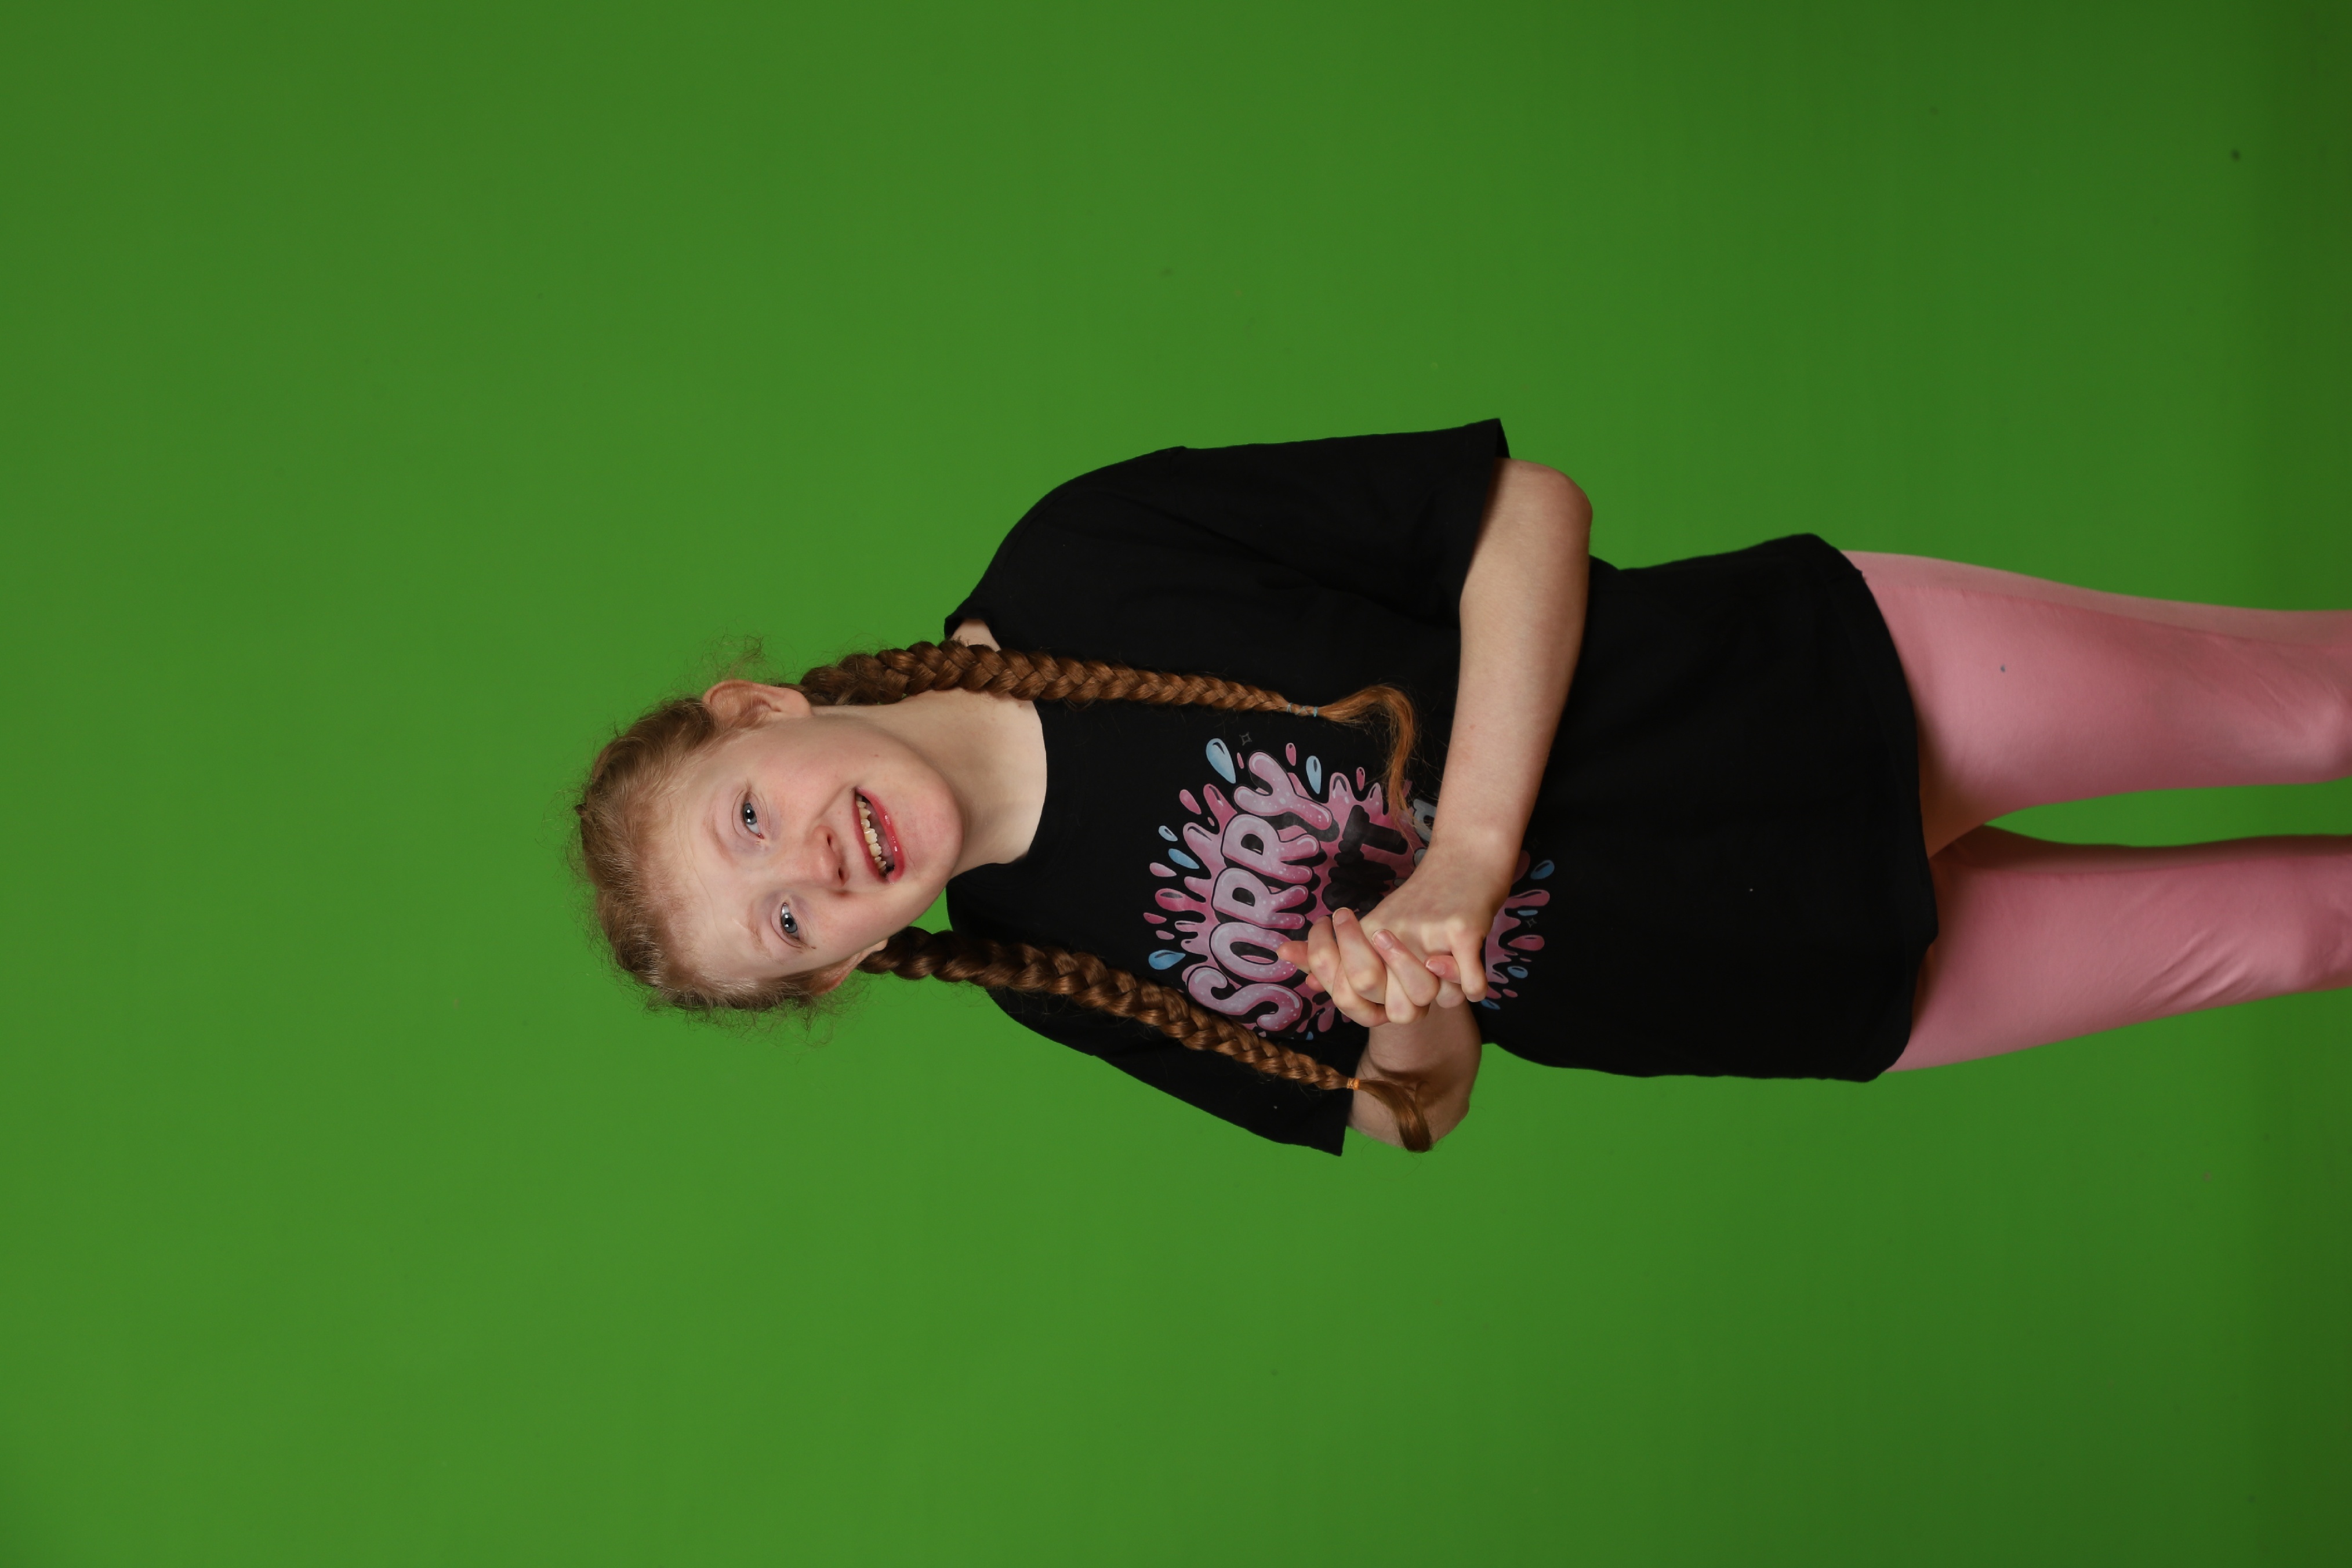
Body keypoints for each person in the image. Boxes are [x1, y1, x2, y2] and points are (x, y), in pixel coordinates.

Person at [573, 422, 2352, 1154]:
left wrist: (1470, 857)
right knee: (2311, 930)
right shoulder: (1051, 975)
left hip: (1800, 695)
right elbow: (1412, 1108)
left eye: (749, 821)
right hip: (1761, 976)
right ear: (838, 969)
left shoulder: (1086, 554)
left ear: (760, 710)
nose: (809, 869)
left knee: (2322, 709)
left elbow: (1523, 518)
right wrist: (1407, 1002)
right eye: (782, 925)